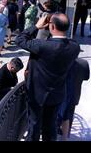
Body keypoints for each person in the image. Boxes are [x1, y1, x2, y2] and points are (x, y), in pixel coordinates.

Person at [15, 13, 80, 141]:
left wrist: (36, 26)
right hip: (57, 94)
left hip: (36, 94)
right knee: (50, 127)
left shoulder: (42, 46)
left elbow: (20, 39)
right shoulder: (75, 47)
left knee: (34, 126)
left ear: (52, 26)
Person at [57, 58, 90, 141]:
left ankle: (56, 133)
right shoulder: (83, 63)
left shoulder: (60, 62)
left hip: (59, 95)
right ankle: (65, 137)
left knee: (57, 115)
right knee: (68, 116)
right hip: (74, 96)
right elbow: (86, 77)